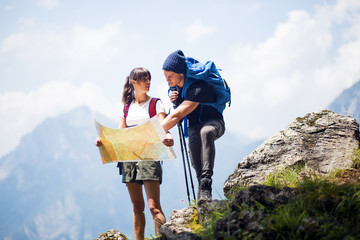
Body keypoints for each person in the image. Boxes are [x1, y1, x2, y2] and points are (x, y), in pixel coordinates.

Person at [95, 67, 174, 240]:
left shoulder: (155, 103)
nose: (148, 82)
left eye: (149, 79)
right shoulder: (125, 108)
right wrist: (103, 142)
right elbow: (120, 135)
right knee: (137, 207)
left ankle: (162, 238)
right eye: (144, 79)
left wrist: (168, 136)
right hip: (128, 158)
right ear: (133, 82)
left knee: (154, 207)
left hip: (149, 156)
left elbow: (164, 125)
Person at [161, 50, 226, 202]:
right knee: (198, 168)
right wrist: (174, 98)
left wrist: (153, 132)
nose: (167, 80)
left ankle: (206, 185)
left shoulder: (198, 86)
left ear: (181, 73)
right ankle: (203, 206)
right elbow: (176, 112)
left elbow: (177, 115)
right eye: (165, 76)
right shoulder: (177, 87)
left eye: (170, 76)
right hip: (193, 127)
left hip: (214, 123)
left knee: (206, 132)